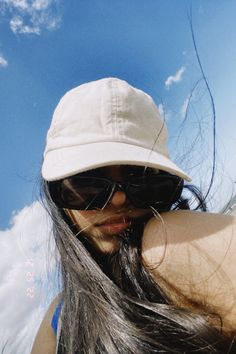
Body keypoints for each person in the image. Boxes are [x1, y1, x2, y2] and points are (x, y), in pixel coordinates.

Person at [31, 78, 236, 354]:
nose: (118, 199)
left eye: (141, 178)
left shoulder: (164, 243)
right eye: (87, 184)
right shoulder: (57, 320)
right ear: (60, 199)